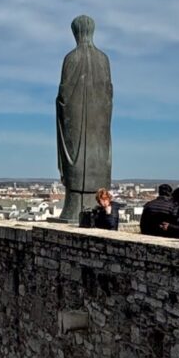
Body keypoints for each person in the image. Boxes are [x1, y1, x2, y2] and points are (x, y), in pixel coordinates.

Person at [56, 15, 113, 222]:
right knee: (99, 153)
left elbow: (64, 97)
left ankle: (74, 207)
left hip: (76, 120)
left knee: (75, 154)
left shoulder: (71, 58)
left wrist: (60, 105)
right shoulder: (103, 59)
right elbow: (108, 94)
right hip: (99, 123)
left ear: (76, 32)